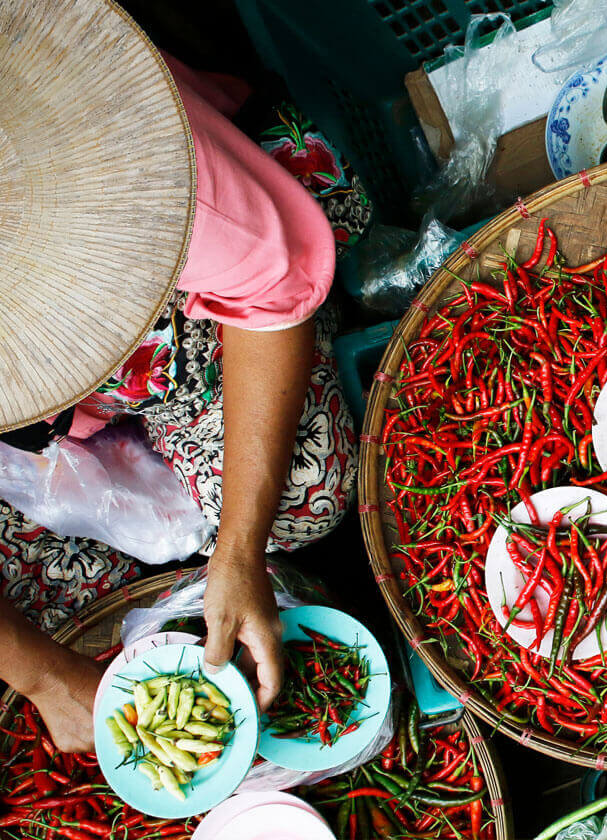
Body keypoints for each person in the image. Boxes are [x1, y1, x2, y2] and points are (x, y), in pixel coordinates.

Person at [0, 0, 362, 752]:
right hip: (58, 415)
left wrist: (237, 548)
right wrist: (43, 676)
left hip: (181, 307)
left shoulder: (121, 154)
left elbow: (265, 293)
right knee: (67, 610)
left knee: (304, 493)